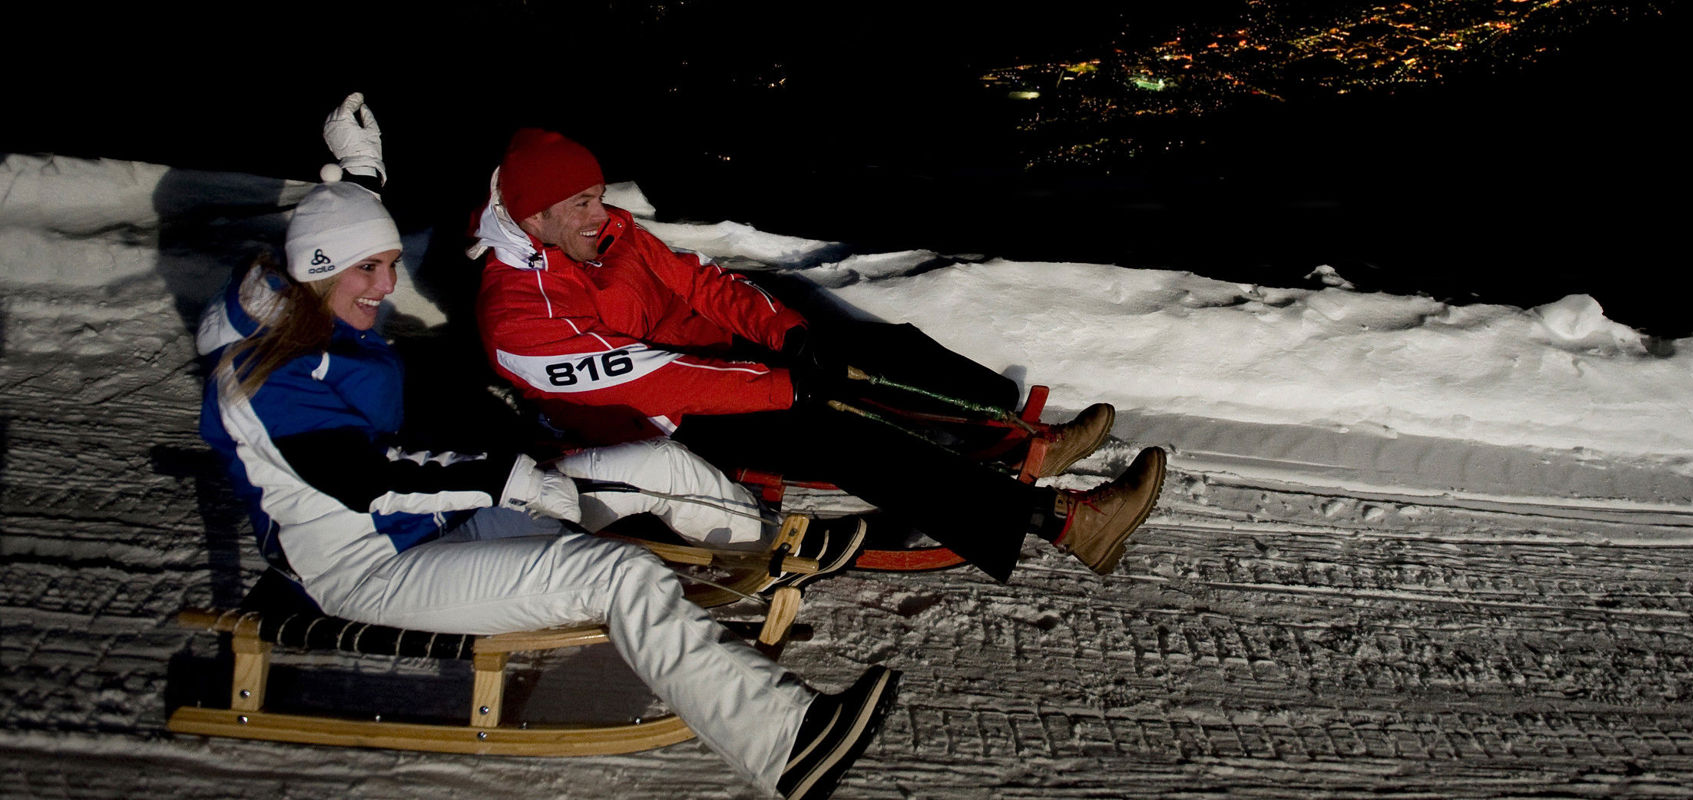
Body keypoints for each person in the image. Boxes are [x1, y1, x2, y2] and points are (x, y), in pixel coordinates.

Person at [197, 94, 893, 800]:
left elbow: (332, 240)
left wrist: (360, 173)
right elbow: (364, 482)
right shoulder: (269, 379)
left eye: (385, 263)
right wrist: (507, 478)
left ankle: (767, 549)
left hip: (441, 521)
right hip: (371, 566)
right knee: (622, 577)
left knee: (654, 464)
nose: (385, 287)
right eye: (366, 271)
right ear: (318, 270)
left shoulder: (300, 297)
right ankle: (786, 742)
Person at [470, 128, 1167, 581]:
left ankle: (1021, 441)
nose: (602, 211)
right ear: (535, 216)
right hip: (662, 422)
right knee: (842, 429)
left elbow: (701, 283)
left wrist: (785, 334)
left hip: (718, 359)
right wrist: (783, 386)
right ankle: (1068, 523)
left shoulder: (607, 234)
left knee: (862, 346)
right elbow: (656, 380)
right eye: (583, 203)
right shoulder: (516, 315)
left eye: (598, 195)